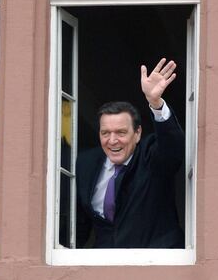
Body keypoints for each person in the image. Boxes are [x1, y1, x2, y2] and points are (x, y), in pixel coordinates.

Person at [76, 58, 184, 248]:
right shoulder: (85, 163)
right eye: (105, 133)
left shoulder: (150, 156)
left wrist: (156, 104)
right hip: (104, 267)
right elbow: (78, 223)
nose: (112, 140)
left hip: (156, 264)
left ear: (137, 133)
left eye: (121, 132)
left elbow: (172, 149)